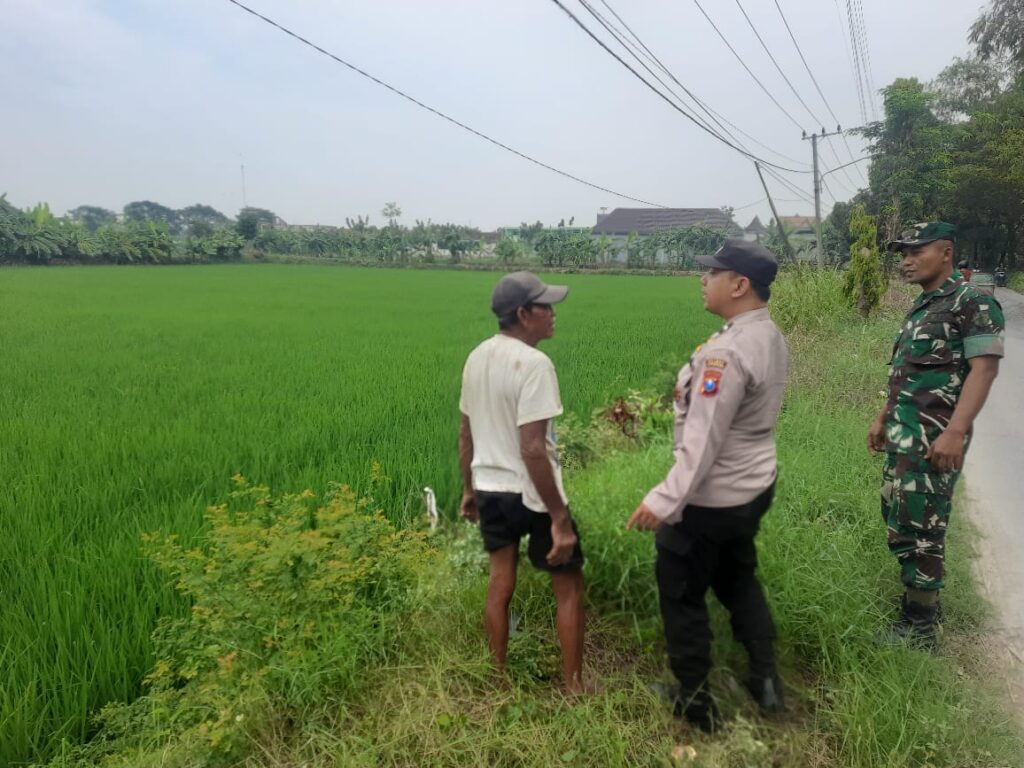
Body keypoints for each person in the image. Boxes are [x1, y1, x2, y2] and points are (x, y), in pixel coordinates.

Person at [627, 240, 789, 731]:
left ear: (739, 284)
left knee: (681, 592)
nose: (703, 279)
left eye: (713, 273)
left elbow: (703, 442)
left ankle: (695, 703)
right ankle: (765, 681)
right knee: (738, 576)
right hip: (754, 485)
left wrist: (664, 500)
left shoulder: (726, 353)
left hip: (712, 499)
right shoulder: (766, 334)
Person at [868, 222, 1004, 648]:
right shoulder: (923, 307)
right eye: (903, 254)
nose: (906, 261)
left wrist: (955, 431)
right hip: (903, 431)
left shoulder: (972, 303)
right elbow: (906, 373)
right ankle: (920, 601)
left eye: (916, 251)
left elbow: (984, 370)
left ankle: (919, 627)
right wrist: (882, 417)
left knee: (921, 525)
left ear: (946, 253)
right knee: (897, 512)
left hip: (935, 436)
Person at [458, 271, 587, 693]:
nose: (553, 313)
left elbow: (465, 433)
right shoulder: (535, 364)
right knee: (568, 585)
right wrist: (559, 518)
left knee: (500, 583)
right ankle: (573, 686)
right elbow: (533, 448)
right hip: (531, 494)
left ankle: (496, 681)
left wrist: (469, 489)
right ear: (523, 314)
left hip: (490, 488)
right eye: (545, 306)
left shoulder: (477, 357)